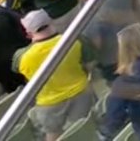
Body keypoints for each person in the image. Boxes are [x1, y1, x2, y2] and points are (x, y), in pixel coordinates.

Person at [15, 10, 96, 141]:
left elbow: (20, 73)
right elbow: (90, 65)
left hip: (48, 103)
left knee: (52, 134)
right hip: (81, 92)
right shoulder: (75, 39)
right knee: (85, 130)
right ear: (50, 22)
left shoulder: (21, 56)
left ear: (29, 34)